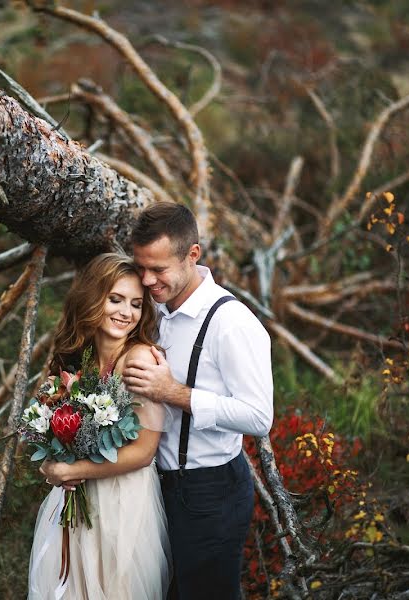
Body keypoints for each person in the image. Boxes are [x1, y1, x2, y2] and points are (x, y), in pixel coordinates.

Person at [122, 202, 274, 600]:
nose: (147, 279)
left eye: (159, 269)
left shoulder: (232, 323)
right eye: (141, 267)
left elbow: (259, 417)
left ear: (193, 255)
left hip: (209, 492)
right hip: (151, 487)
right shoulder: (149, 309)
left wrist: (172, 392)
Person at [30, 253, 172, 600]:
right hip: (76, 497)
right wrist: (51, 464)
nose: (127, 312)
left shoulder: (137, 358)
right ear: (93, 298)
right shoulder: (79, 358)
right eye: (116, 299)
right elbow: (48, 427)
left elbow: (143, 451)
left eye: (136, 304)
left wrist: (72, 469)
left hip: (121, 502)